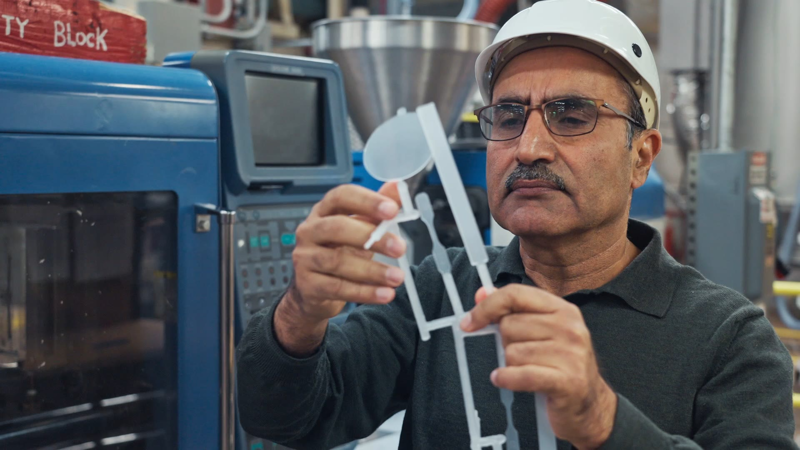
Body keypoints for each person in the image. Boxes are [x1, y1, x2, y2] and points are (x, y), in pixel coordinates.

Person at [236, 0, 797, 448]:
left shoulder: (731, 339)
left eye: (573, 116)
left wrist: (604, 421)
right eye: (507, 116)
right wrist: (299, 316)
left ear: (642, 157)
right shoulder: (442, 292)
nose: (529, 146)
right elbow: (287, 419)